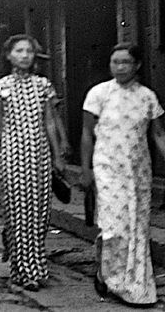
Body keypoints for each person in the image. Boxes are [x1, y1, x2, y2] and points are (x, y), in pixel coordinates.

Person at [80, 42, 165, 306]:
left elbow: (158, 134)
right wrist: (86, 170)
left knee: (136, 228)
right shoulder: (99, 93)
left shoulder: (147, 96)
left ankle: (134, 284)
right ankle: (108, 276)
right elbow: (86, 135)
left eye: (125, 62)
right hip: (107, 168)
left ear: (137, 65)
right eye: (114, 62)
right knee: (113, 225)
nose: (119, 67)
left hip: (138, 170)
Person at [0, 34, 65, 292]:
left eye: (29, 51)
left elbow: (51, 122)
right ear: (9, 55)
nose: (24, 55)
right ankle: (25, 271)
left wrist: (57, 156)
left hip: (39, 154)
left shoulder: (43, 85)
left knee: (40, 213)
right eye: (19, 51)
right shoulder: (0, 87)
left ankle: (32, 261)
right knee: (19, 212)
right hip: (12, 155)